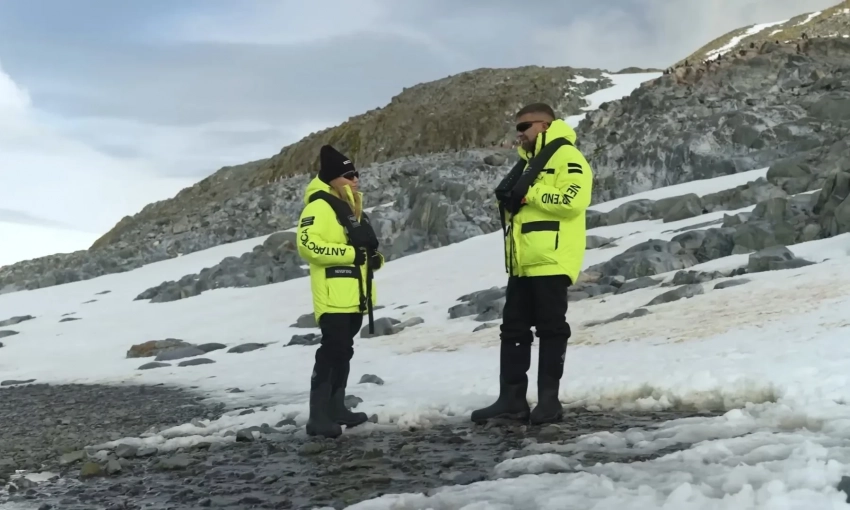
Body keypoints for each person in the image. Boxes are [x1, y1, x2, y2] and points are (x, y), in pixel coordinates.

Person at [472, 103, 593, 425]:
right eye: (517, 128)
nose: (519, 134)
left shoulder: (566, 156)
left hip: (551, 259)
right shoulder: (528, 163)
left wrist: (530, 192)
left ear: (544, 125)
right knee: (513, 329)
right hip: (523, 262)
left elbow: (573, 201)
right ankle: (511, 400)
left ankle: (549, 401)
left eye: (524, 127)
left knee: (551, 328)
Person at [296, 145, 385, 438]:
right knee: (331, 351)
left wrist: (375, 259)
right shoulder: (318, 207)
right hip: (333, 295)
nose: (355, 179)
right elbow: (308, 246)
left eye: (356, 174)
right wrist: (351, 255)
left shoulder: (351, 207)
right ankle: (318, 416)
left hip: (354, 296)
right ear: (332, 178)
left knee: (344, 350)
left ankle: (336, 408)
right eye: (348, 175)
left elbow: (364, 251)